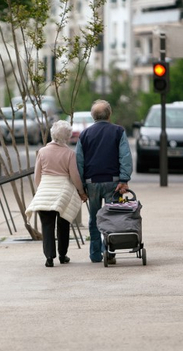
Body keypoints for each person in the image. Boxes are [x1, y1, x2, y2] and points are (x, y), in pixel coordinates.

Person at [76, 99, 133, 264]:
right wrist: (124, 179)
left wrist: (81, 187)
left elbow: (79, 162)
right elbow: (125, 157)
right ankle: (109, 250)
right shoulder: (118, 131)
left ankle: (95, 253)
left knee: (94, 218)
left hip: (91, 182)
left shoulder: (84, 134)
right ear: (110, 114)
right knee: (111, 218)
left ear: (92, 116)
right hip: (113, 182)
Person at [25, 120, 88, 267]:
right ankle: (62, 255)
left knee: (47, 226)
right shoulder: (69, 154)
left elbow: (37, 177)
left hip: (45, 192)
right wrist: (81, 192)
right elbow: (75, 177)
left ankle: (49, 258)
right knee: (63, 223)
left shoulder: (42, 152)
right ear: (67, 137)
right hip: (63, 193)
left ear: (53, 133)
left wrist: (42, 189)